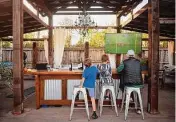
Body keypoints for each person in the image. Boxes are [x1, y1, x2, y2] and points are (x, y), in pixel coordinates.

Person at [117, 49, 143, 114]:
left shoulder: (124, 62)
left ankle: (127, 104)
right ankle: (139, 108)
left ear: (127, 55)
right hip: (139, 83)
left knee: (123, 79)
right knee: (138, 92)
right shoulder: (139, 62)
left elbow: (118, 70)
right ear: (134, 55)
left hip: (128, 84)